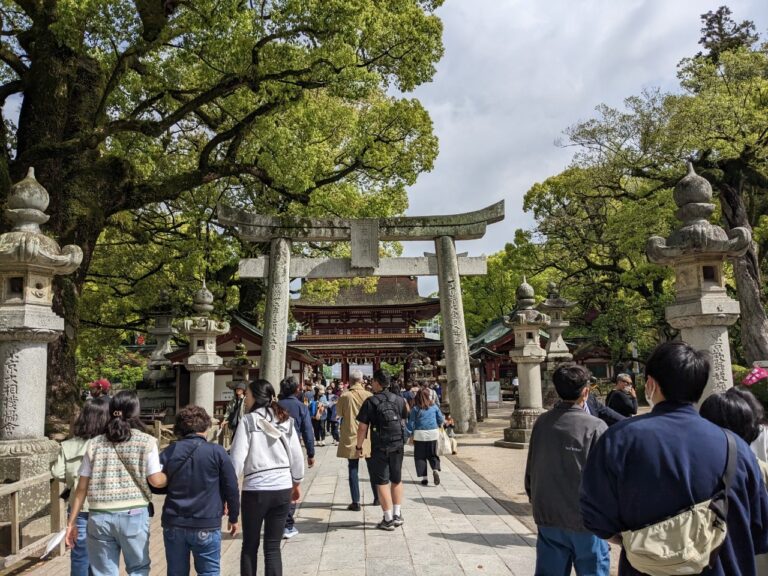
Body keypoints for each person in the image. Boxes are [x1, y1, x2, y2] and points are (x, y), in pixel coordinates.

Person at [581, 341, 768, 576]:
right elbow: (759, 529)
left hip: (645, 569)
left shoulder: (619, 440)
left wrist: (645, 543)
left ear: (651, 384)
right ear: (700, 387)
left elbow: (595, 517)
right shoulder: (736, 448)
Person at [64, 391, 168, 576]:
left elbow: (81, 488)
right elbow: (155, 480)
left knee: (103, 572)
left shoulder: (94, 444)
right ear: (135, 412)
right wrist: (168, 476)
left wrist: (71, 523)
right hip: (134, 513)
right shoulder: (147, 441)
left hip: (99, 516)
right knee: (138, 569)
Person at [526, 363, 610, 575]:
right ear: (586, 391)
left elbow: (531, 470)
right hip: (586, 520)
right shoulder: (595, 426)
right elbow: (606, 479)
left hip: (548, 516)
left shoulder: (542, 423)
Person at [231, 379, 304, 576]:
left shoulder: (248, 421)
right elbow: (297, 458)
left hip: (256, 489)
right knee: (272, 548)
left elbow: (236, 460)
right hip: (282, 488)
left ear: (255, 397)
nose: (245, 399)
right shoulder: (286, 420)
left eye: (247, 395)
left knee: (250, 545)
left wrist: (228, 489)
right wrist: (296, 482)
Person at [156, 406, 240, 576]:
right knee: (209, 572)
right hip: (206, 521)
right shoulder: (217, 452)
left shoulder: (169, 451)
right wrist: (233, 516)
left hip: (174, 521)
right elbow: (231, 486)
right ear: (206, 426)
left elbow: (155, 484)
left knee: (176, 572)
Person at [52, 398, 110, 576]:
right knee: (103, 556)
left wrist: (73, 481)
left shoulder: (68, 445)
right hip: (104, 507)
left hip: (78, 508)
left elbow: (57, 472)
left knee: (79, 555)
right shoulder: (109, 444)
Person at [355, 369, 408, 531]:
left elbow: (362, 428)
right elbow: (405, 418)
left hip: (380, 446)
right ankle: (397, 514)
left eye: (373, 381)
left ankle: (388, 518)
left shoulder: (371, 402)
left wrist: (359, 446)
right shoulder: (399, 400)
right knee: (397, 479)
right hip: (398, 444)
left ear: (377, 382)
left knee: (382, 482)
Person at [278, 376, 316, 539]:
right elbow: (308, 431)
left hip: (274, 450)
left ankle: (277, 522)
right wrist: (310, 453)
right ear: (296, 390)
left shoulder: (274, 407)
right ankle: (287, 525)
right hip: (293, 449)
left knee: (278, 486)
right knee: (292, 486)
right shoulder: (301, 407)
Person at [337, 370, 378, 511]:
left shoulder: (345, 396)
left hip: (351, 434)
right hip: (367, 435)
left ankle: (356, 501)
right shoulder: (370, 395)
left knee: (353, 468)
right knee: (372, 467)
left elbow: (339, 413)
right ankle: (377, 497)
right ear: (361, 380)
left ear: (349, 380)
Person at [406, 388, 444, 486]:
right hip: (433, 433)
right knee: (432, 454)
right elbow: (440, 419)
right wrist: (439, 424)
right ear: (428, 397)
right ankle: (435, 470)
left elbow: (411, 423)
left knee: (420, 456)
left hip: (419, 435)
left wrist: (408, 433)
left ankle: (424, 478)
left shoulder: (415, 409)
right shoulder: (434, 407)